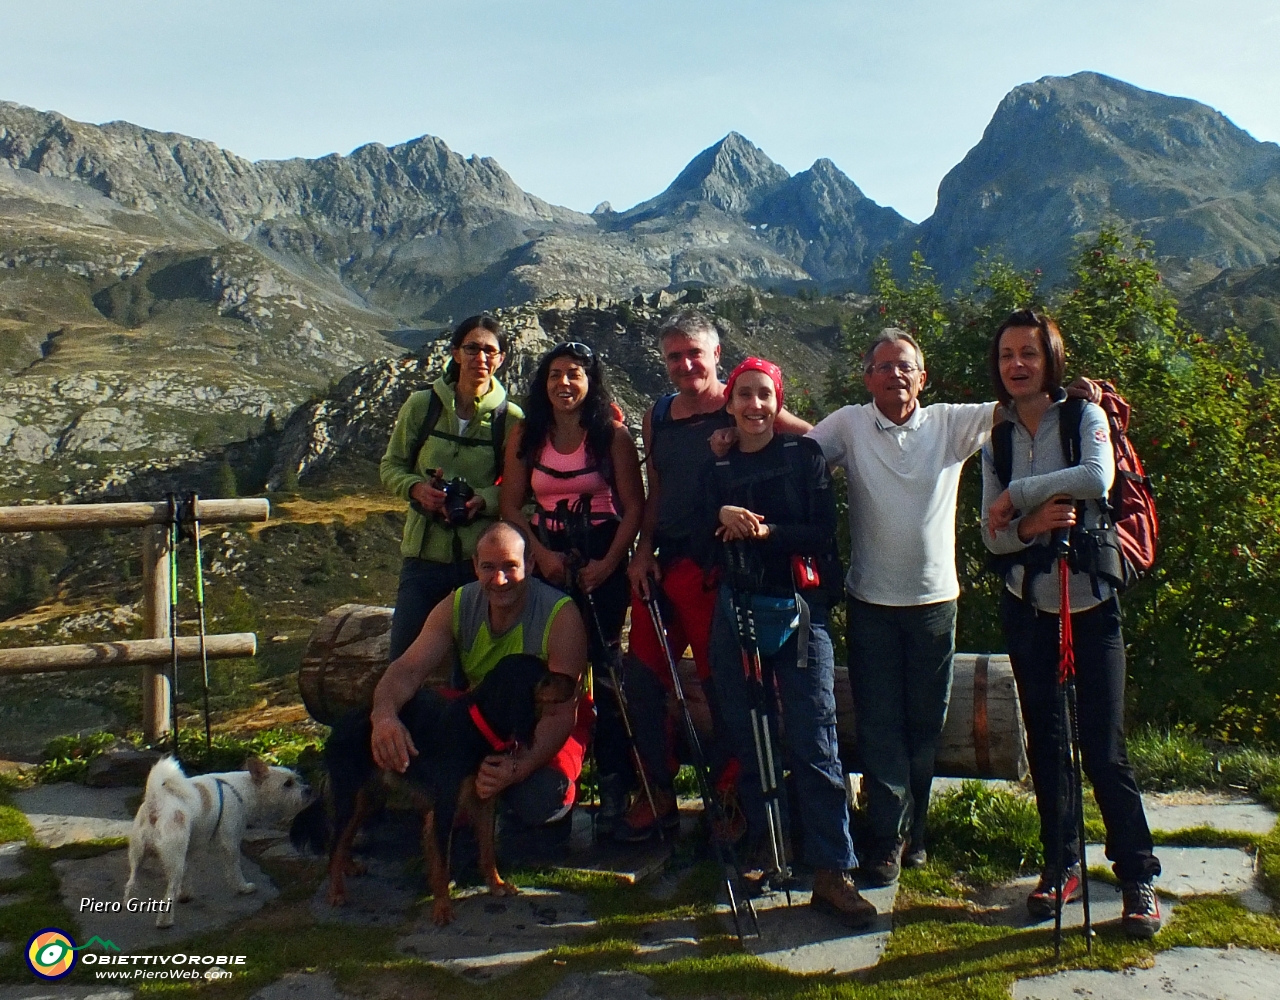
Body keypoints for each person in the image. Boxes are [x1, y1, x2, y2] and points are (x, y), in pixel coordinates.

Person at [981, 309, 1161, 938]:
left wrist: (1019, 498)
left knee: (1105, 748)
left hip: (1090, 601)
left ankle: (1137, 873)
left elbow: (1097, 476)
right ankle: (1062, 866)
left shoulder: (1083, 416)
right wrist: (1026, 524)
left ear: (1050, 359)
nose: (1017, 365)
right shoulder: (996, 439)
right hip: (1031, 604)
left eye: (1028, 353)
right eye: (1007, 355)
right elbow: (990, 534)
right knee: (1051, 748)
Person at [698, 357, 876, 929]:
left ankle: (832, 870)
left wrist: (766, 532)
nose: (754, 406)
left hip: (801, 614)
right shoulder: (717, 468)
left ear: (779, 403)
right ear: (729, 402)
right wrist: (718, 514)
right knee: (748, 731)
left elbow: (823, 533)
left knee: (814, 734)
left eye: (764, 396)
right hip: (738, 609)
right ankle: (765, 847)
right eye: (744, 396)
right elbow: (698, 533)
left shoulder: (806, 459)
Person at [623, 310, 811, 840]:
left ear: (715, 357)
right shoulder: (657, 414)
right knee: (641, 674)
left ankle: (731, 791)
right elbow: (656, 489)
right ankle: (656, 787)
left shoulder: (743, 405)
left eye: (694, 354)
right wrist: (642, 551)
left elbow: (812, 440)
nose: (685, 365)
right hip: (663, 562)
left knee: (721, 681)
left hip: (715, 568)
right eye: (674, 357)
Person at [499, 340, 646, 836]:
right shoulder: (527, 435)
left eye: (576, 374)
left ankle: (613, 789)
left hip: (600, 555)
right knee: (549, 676)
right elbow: (511, 504)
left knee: (606, 676)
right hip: (549, 560)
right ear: (544, 382)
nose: (565, 383)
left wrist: (607, 565)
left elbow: (634, 507)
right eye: (556, 374)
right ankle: (548, 781)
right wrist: (539, 553)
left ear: (591, 382)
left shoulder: (612, 438)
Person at [370, 520, 592, 833]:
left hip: (543, 724)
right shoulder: (459, 604)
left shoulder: (560, 614)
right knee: (423, 720)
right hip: (487, 722)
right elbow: (407, 669)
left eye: (510, 566)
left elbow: (562, 712)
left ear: (529, 564)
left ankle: (507, 804)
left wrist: (520, 767)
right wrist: (383, 717)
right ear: (475, 566)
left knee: (542, 796)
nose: (499, 579)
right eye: (488, 567)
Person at [380, 315, 522, 663]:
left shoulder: (511, 419)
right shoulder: (422, 405)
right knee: (404, 659)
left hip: (477, 563)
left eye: (491, 351)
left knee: (470, 665)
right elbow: (390, 466)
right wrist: (416, 489)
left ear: (501, 359)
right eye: (472, 348)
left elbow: (522, 492)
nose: (481, 358)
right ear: (456, 353)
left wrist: (483, 499)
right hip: (422, 557)